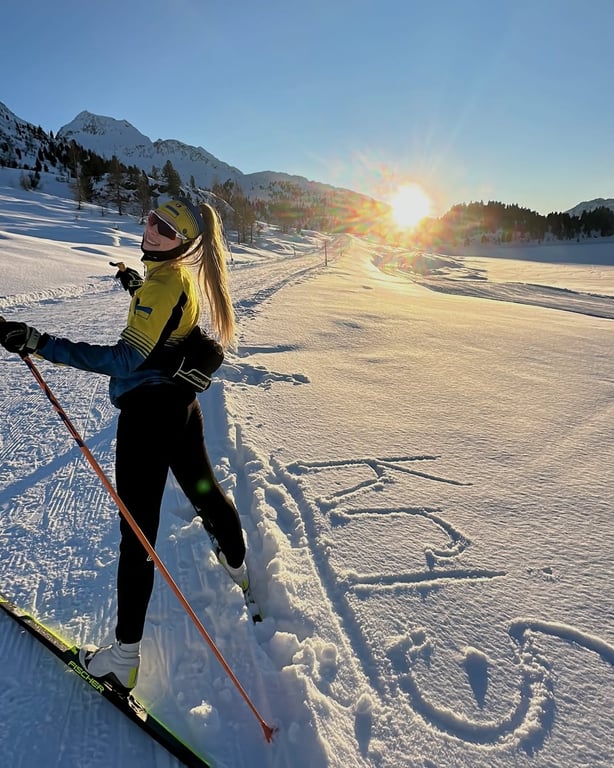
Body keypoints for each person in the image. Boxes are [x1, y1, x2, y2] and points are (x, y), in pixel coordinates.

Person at [0, 198, 249, 693]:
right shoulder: (176, 278)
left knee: (136, 534)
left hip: (148, 419)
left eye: (165, 229)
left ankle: (124, 658)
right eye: (153, 217)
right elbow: (165, 323)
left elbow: (125, 359)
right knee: (205, 493)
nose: (151, 228)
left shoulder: (165, 281)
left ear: (183, 242)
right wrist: (137, 285)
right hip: (181, 409)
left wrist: (40, 341)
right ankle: (241, 574)